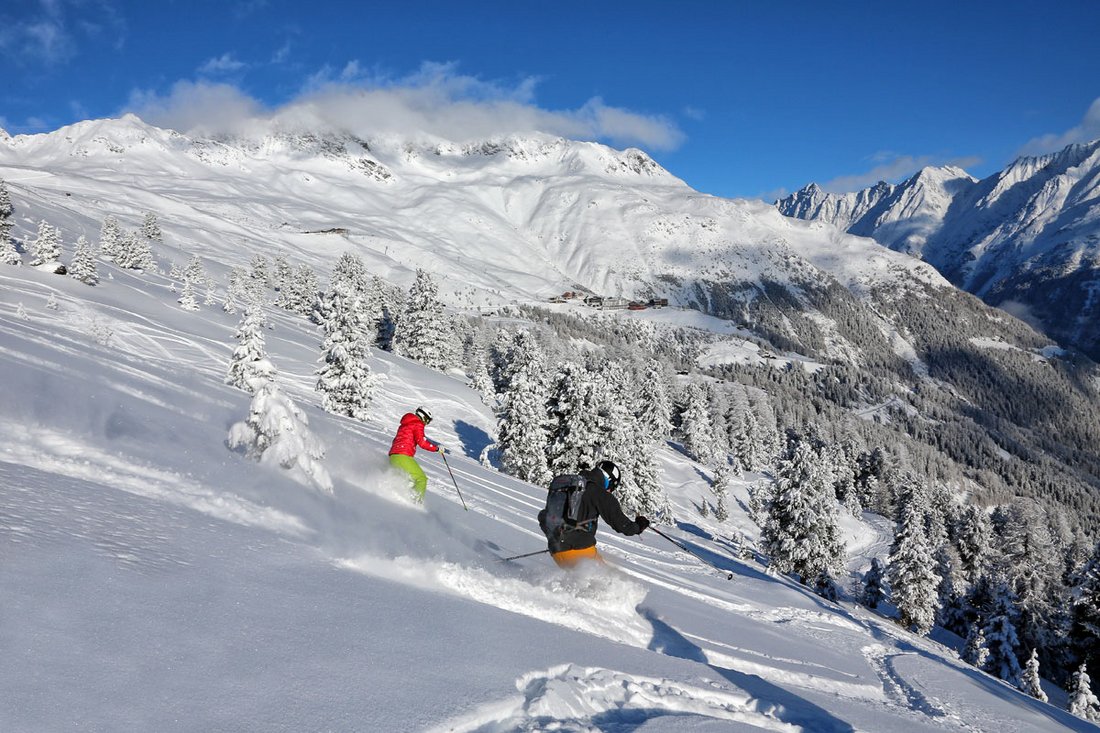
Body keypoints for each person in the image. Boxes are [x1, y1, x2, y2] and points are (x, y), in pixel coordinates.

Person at [538, 459, 650, 568]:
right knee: (609, 581)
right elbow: (623, 525)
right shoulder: (598, 492)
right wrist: (639, 526)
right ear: (609, 480)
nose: (609, 491)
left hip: (557, 550)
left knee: (583, 583)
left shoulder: (571, 487)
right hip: (579, 550)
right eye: (611, 488)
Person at [388, 406, 443, 502]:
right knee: (421, 479)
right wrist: (437, 448)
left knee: (406, 480)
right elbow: (422, 442)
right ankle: (414, 503)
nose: (426, 423)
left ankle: (398, 499)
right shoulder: (418, 424)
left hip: (394, 456)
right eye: (427, 421)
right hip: (403, 456)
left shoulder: (405, 424)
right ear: (423, 417)